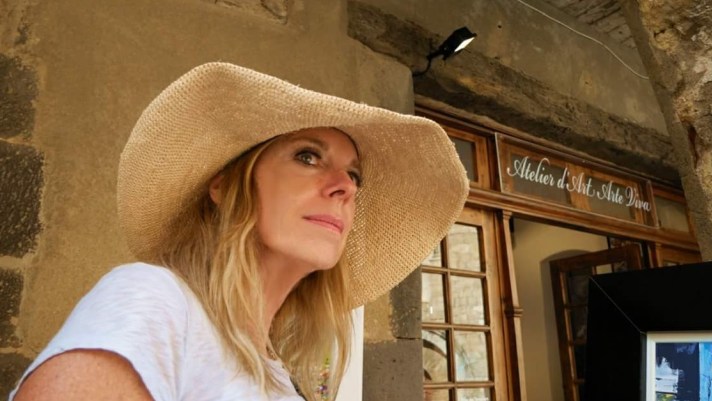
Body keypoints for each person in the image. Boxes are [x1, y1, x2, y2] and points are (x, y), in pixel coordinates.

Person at [10, 62, 468, 401]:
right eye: (308, 156)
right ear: (226, 186)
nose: (345, 187)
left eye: (355, 176)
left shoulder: (275, 370)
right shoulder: (155, 302)